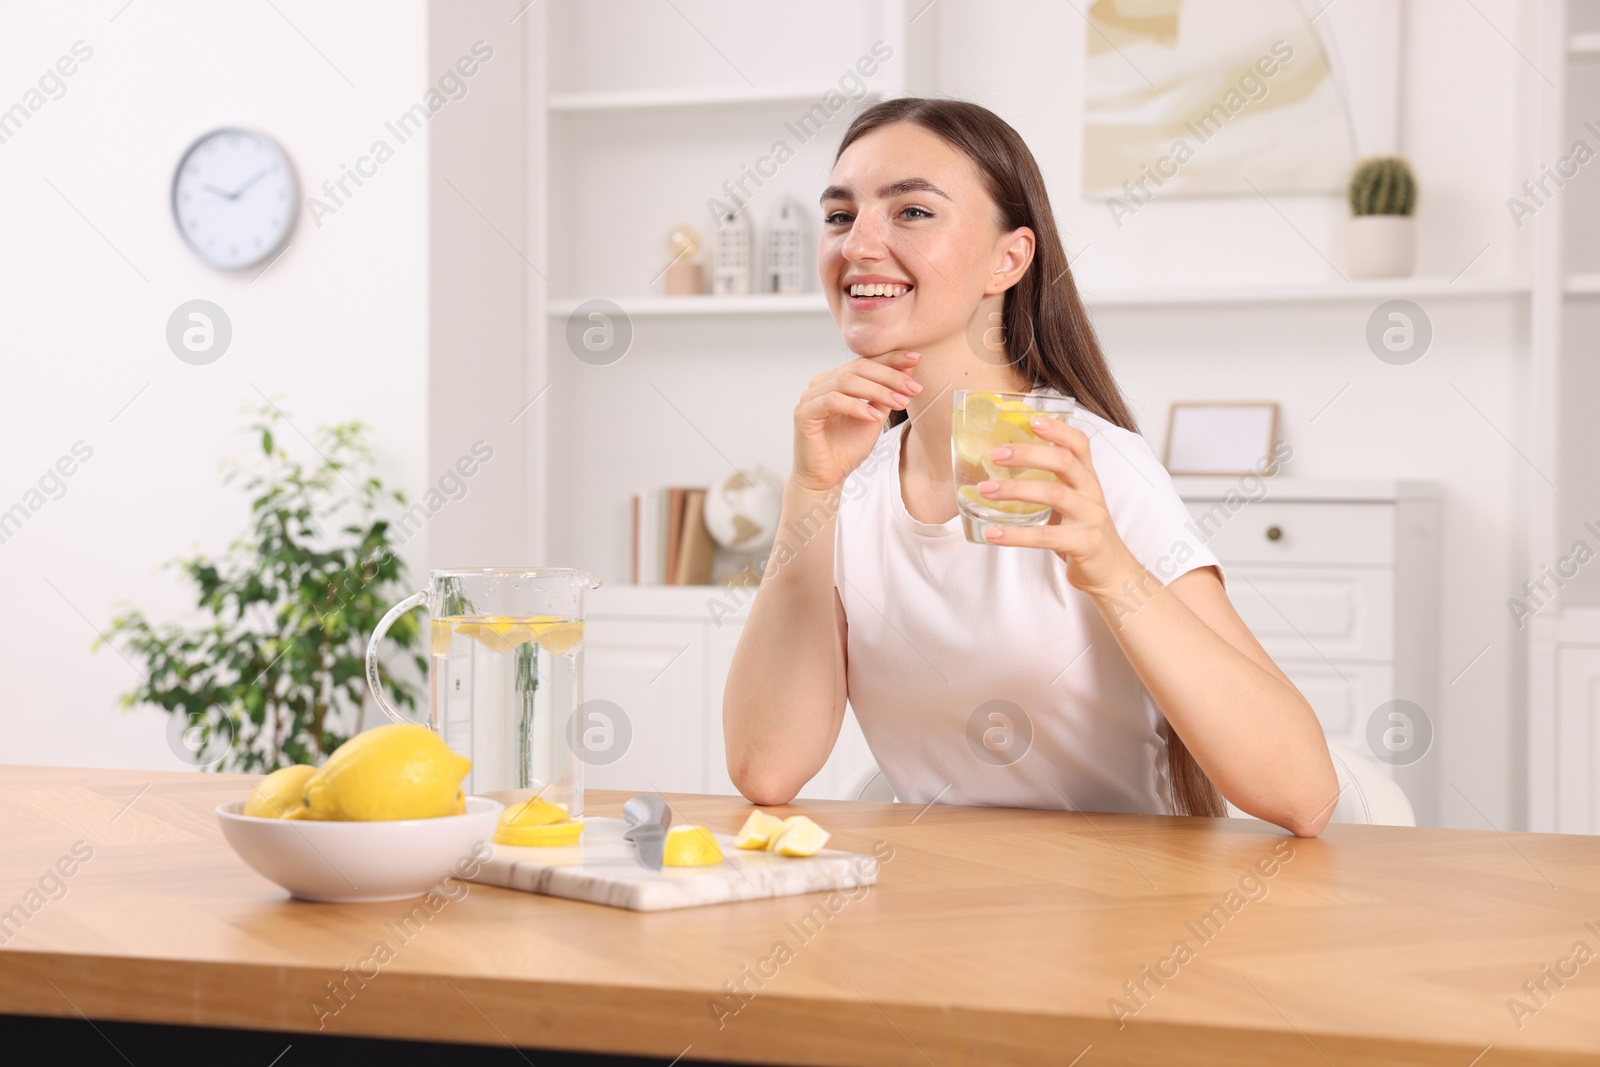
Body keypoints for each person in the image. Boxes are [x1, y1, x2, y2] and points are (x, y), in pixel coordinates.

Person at [722, 97, 1337, 837]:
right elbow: (767, 767)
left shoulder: (1096, 466)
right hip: (933, 920)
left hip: (1115, 924)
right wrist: (810, 491)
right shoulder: (847, 488)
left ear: (1009, 258)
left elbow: (1305, 794)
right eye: (840, 215)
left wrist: (1110, 567)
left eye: (911, 212)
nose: (858, 244)